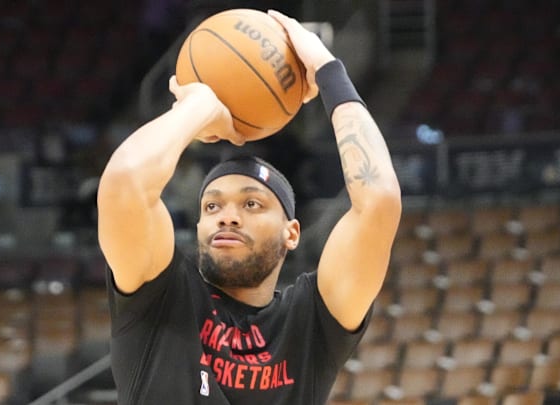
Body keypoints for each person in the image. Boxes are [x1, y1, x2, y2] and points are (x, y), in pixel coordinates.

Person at [97, 9, 402, 405]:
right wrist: (199, 107)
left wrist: (328, 70)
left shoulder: (309, 324)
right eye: (211, 206)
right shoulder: (161, 295)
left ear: (291, 232)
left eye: (252, 203)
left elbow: (379, 201)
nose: (227, 214)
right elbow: (124, 184)